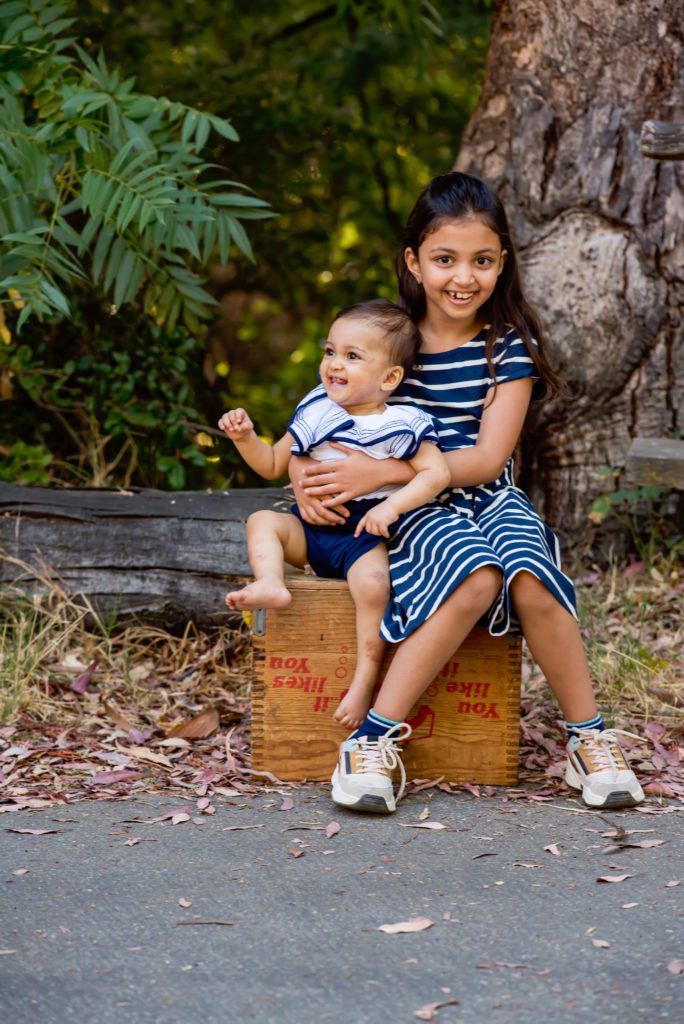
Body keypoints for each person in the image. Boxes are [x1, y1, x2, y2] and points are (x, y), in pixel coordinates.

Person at [290, 171, 645, 814]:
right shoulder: (385, 341)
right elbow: (316, 418)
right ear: (413, 262)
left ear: (502, 262)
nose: (463, 277)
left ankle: (588, 739)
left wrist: (389, 472)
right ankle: (372, 740)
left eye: (482, 260)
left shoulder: (508, 349)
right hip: (409, 508)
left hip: (480, 492)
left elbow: (487, 458)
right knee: (475, 577)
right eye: (444, 259)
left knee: (531, 573)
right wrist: (307, 482)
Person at [218, 299, 450, 732]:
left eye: (352, 356)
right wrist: (246, 438)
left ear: (390, 378)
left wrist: (390, 506)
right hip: (310, 530)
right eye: (329, 351)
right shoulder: (316, 409)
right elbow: (271, 464)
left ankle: (364, 679)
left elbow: (436, 474)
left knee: (375, 587)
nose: (334, 364)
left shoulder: (400, 423)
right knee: (262, 522)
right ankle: (271, 583)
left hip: (362, 535)